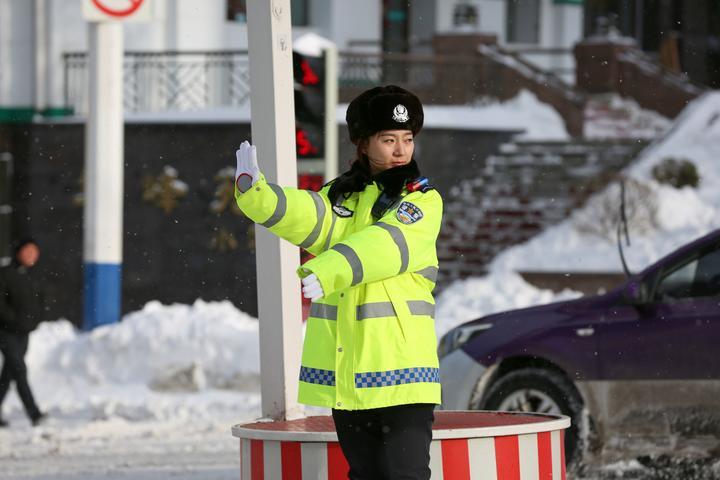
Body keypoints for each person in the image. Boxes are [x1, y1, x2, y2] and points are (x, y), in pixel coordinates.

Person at [234, 85, 442, 479]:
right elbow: (310, 215)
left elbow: (388, 244)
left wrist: (326, 270)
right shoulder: (343, 194)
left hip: (402, 370)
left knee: (405, 475)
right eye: (389, 139)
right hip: (349, 372)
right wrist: (256, 193)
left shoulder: (422, 200)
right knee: (364, 474)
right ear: (364, 144)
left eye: (407, 139)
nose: (401, 150)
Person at [0, 239, 46, 427]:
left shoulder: (33, 276)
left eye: (34, 252)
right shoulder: (5, 273)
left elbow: (40, 302)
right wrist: (12, 320)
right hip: (5, 331)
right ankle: (34, 414)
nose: (31, 256)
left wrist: (34, 320)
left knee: (8, 374)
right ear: (18, 252)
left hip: (24, 332)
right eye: (28, 251)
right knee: (19, 370)